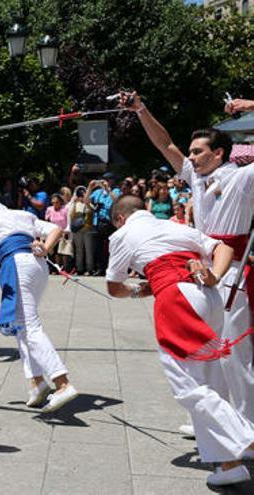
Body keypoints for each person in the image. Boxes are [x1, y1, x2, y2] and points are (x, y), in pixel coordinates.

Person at [121, 91, 254, 427]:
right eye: (191, 152)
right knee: (204, 347)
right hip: (198, 268)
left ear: (219, 153)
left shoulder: (243, 177)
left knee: (235, 352)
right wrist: (141, 109)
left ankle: (247, 424)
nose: (190, 157)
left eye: (198, 151)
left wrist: (252, 107)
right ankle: (215, 417)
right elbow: (164, 144)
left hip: (232, 272)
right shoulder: (194, 176)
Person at [105, 195, 254, 487]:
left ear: (120, 218)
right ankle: (229, 463)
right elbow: (222, 247)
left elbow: (113, 286)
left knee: (187, 385)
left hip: (176, 298)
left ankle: (246, 437)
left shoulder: (122, 234)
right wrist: (215, 277)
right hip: (209, 296)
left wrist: (138, 292)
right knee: (211, 380)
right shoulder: (176, 227)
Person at [0, 187, 78, 413]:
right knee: (23, 325)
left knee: (29, 327)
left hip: (17, 264)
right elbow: (57, 228)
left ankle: (62, 383)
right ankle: (37, 382)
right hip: (38, 266)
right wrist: (46, 249)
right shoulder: (21, 213)